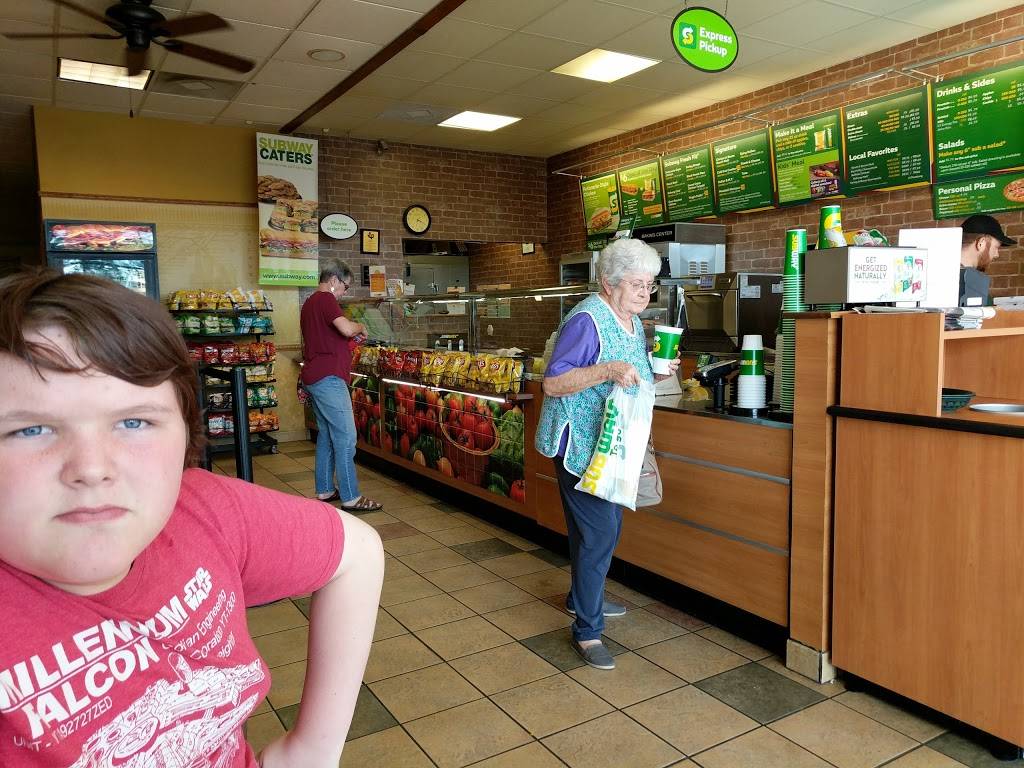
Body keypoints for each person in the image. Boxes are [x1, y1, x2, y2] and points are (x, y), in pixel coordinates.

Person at [0, 269, 385, 766]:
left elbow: (358, 552)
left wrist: (311, 750)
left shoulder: (204, 511)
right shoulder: (329, 305)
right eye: (30, 430)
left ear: (187, 434)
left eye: (134, 421)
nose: (92, 469)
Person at [534, 238, 680, 671]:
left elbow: (630, 370)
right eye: (636, 284)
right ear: (609, 283)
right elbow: (553, 383)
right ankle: (587, 629)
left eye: (649, 285)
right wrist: (610, 370)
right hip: (579, 445)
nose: (644, 293)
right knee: (599, 533)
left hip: (610, 445)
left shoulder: (632, 320)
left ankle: (583, 597)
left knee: (596, 532)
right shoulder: (587, 320)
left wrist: (656, 369)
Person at [300, 259, 382, 512]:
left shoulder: (309, 304)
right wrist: (360, 326)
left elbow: (329, 340)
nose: (344, 292)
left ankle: (325, 489)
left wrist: (351, 341)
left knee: (327, 434)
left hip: (315, 376)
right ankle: (351, 496)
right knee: (346, 437)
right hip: (329, 379)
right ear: (334, 280)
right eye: (345, 286)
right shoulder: (326, 299)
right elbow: (346, 329)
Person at [958, 214, 1017, 306]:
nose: (996, 255)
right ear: (981, 244)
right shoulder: (974, 287)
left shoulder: (939, 271)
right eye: (996, 247)